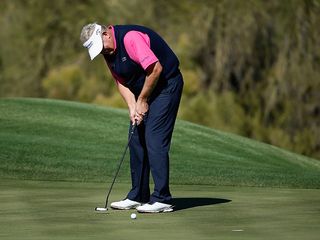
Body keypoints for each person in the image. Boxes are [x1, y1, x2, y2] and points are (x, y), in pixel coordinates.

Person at [80, 23, 183, 213]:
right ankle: (138, 195)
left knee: (154, 138)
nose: (103, 53)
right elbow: (120, 81)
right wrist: (132, 106)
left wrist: (142, 100)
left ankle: (162, 198)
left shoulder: (130, 39)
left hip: (167, 85)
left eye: (102, 48)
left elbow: (155, 69)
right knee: (135, 138)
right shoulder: (108, 53)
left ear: (106, 34)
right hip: (145, 90)